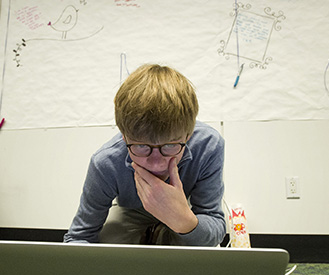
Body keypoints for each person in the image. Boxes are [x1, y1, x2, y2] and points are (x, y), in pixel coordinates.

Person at [64, 64, 226, 246]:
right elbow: (79, 237)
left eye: (170, 145)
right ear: (124, 137)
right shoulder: (105, 162)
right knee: (112, 238)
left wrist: (183, 220)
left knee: (198, 247)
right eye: (141, 146)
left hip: (183, 209)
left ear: (188, 136)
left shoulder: (209, 145)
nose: (156, 164)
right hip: (131, 212)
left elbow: (215, 224)